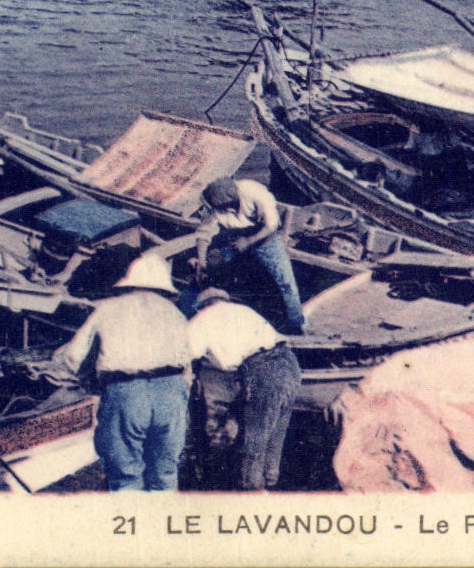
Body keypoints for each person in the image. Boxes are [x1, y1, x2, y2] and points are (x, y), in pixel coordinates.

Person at [49, 252, 191, 492]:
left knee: (126, 476)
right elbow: (188, 361)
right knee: (165, 473)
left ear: (130, 282)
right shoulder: (174, 313)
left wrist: (88, 379)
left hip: (125, 391)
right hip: (170, 390)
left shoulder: (107, 308)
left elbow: (73, 356)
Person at [185, 287, 302, 491]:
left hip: (264, 368)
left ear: (202, 306)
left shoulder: (201, 319)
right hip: (289, 361)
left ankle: (251, 489)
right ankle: (270, 481)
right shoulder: (244, 311)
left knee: (254, 437)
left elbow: (186, 355)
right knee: (275, 431)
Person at [192, 178, 306, 334]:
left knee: (285, 281)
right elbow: (204, 233)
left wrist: (249, 241)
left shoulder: (254, 192)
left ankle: (295, 326)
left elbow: (271, 225)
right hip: (236, 238)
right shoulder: (216, 202)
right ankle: (217, 312)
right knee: (215, 264)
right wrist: (202, 263)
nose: (220, 211)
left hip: (266, 236)